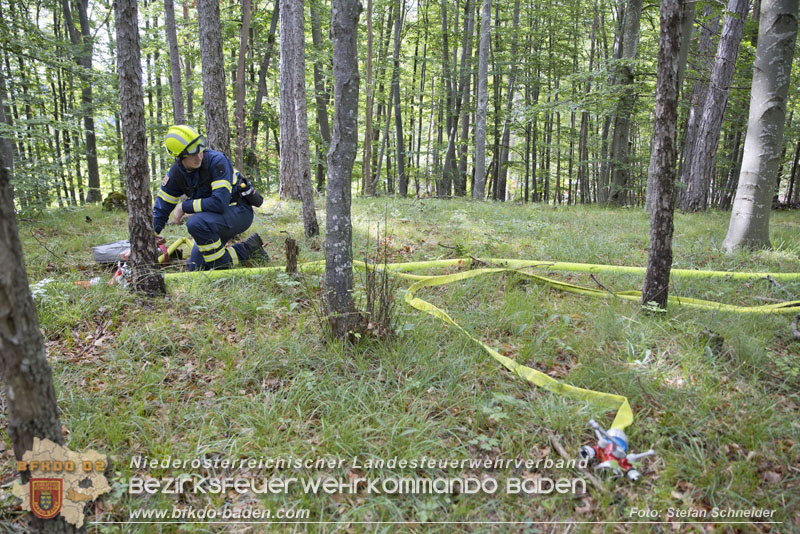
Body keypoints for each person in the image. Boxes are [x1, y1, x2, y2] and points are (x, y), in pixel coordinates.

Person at [154, 125, 266, 271]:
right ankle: (249, 249)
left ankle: (221, 263)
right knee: (196, 267)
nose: (199, 156)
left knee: (194, 223)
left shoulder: (217, 161)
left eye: (200, 149)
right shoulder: (175, 175)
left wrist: (184, 206)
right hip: (211, 221)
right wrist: (143, 241)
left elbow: (219, 203)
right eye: (192, 153)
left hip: (238, 212)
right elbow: (160, 211)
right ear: (179, 157)